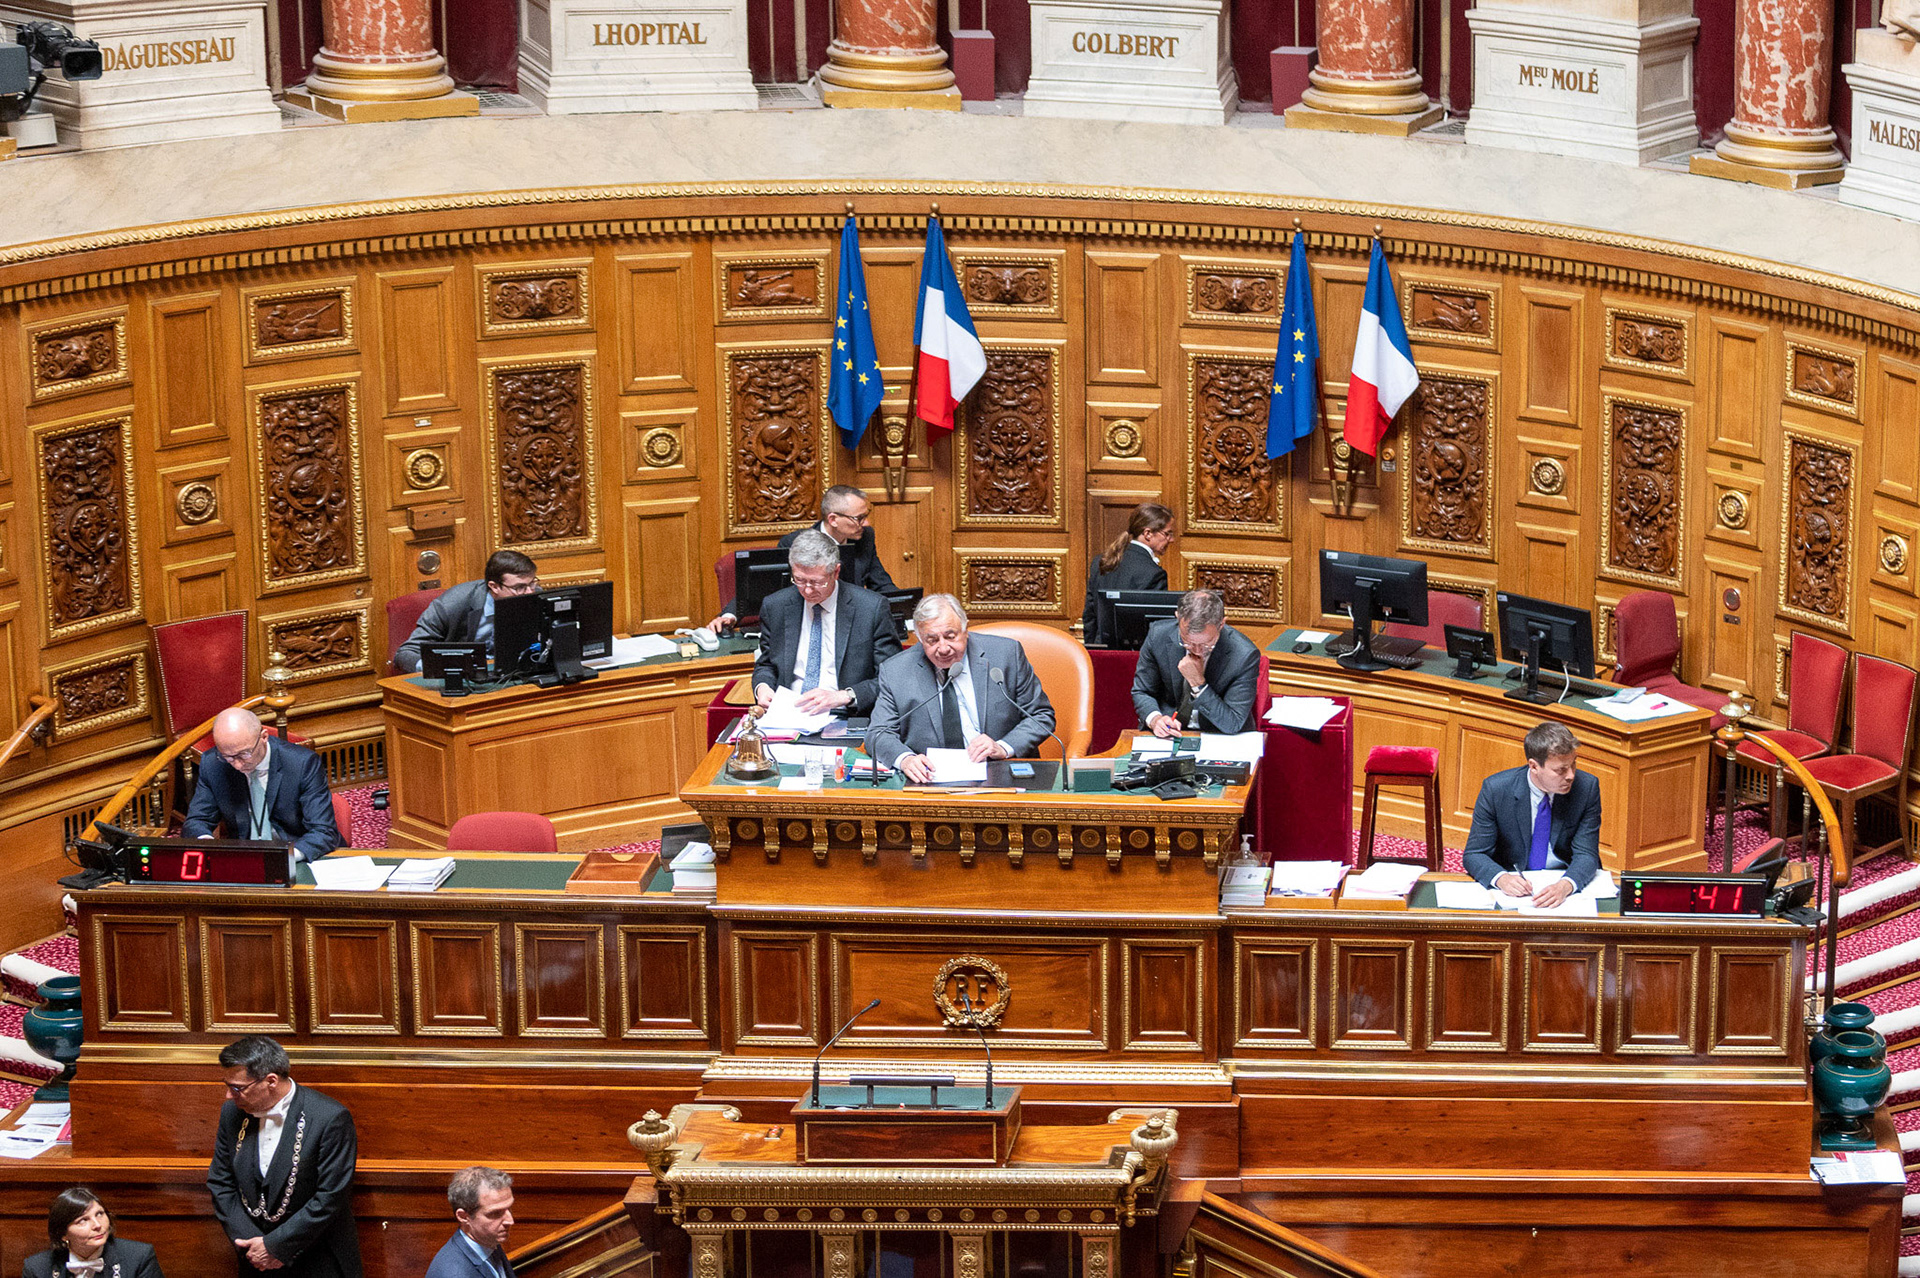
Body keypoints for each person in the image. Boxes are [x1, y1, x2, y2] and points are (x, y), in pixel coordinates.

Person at [207, 1036, 362, 1277]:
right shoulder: (232, 1113)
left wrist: (275, 1247)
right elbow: (221, 1182)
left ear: (270, 1081)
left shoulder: (329, 1118)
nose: (229, 1095)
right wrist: (252, 1245)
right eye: (227, 1085)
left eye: (237, 1088)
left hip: (316, 1260)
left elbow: (330, 1197)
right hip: (254, 1258)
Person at [866, 594, 1055, 783]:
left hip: (1001, 774)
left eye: (950, 636)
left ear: (965, 630)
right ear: (919, 639)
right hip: (929, 781)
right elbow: (878, 733)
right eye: (932, 640)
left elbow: (1040, 716)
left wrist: (1003, 747)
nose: (943, 648)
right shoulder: (896, 671)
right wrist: (905, 759)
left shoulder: (1006, 655)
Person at [750, 529, 901, 716]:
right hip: (789, 713)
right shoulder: (776, 606)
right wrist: (762, 687)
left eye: (817, 582)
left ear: (836, 572)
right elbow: (766, 665)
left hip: (845, 714)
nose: (807, 590)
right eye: (799, 580)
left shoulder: (871, 608)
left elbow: (892, 678)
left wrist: (845, 696)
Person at [709, 485, 897, 630]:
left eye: (866, 516)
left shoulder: (864, 538)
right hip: (810, 623)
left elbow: (880, 582)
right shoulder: (794, 544)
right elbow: (764, 587)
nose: (866, 523)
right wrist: (730, 615)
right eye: (859, 518)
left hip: (853, 623)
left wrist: (905, 608)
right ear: (833, 520)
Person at [1462, 721, 1601, 909]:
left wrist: (1565, 886)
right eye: (1560, 770)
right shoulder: (1496, 790)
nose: (1570, 775)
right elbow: (1475, 854)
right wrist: (1502, 878)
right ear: (1534, 766)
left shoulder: (1586, 788)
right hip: (1515, 886)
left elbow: (1587, 853)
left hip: (1566, 883)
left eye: (1573, 765)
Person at [182, 709, 339, 862]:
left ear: (264, 737)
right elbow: (196, 822)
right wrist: (208, 844)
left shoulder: (302, 763)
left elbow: (324, 831)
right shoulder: (213, 764)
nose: (237, 765)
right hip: (244, 859)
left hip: (296, 853)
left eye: (244, 754)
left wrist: (289, 857)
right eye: (228, 757)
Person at [1130, 589, 1261, 735]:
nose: (1197, 651)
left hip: (1218, 734)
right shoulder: (1158, 636)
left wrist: (1198, 683)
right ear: (1178, 618)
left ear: (1221, 624)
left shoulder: (1244, 655)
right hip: (1170, 734)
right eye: (1187, 642)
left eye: (1206, 644)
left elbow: (1232, 723)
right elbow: (1142, 691)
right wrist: (1155, 719)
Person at [393, 550, 541, 675]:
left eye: (532, 583)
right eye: (519, 587)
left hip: (513, 674)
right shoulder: (451, 604)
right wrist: (444, 670)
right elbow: (406, 653)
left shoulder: (535, 597)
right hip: (463, 678)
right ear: (494, 586)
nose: (529, 592)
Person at [1081, 503, 1174, 646]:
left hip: (1101, 652)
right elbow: (1156, 627)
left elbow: (1089, 616)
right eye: (1167, 534)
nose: (1171, 540)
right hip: (1134, 657)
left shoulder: (1100, 562)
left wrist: (1094, 651)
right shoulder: (1153, 573)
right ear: (1148, 533)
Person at [22, 1187, 163, 1278]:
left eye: (100, 1214)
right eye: (83, 1221)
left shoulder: (139, 1257)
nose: (97, 1225)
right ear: (63, 1233)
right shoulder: (37, 1269)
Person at [423, 1167, 516, 1278]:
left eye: (509, 1209)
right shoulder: (455, 1274)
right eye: (496, 1213)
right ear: (463, 1217)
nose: (510, 1221)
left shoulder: (488, 1241)